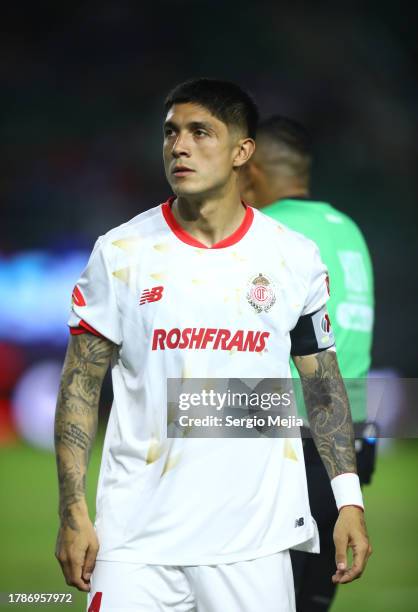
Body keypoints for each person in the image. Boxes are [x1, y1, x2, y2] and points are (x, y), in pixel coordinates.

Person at [54, 80, 371, 612]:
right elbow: (80, 383)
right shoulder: (120, 252)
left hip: (255, 545)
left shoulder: (293, 257)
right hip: (135, 542)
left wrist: (348, 500)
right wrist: (71, 510)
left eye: (201, 132)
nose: (180, 146)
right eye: (171, 133)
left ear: (242, 152)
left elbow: (322, 382)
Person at [240, 115, 375, 612]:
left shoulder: (273, 235)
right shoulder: (349, 230)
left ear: (251, 171)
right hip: (349, 441)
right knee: (312, 600)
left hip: (287, 446)